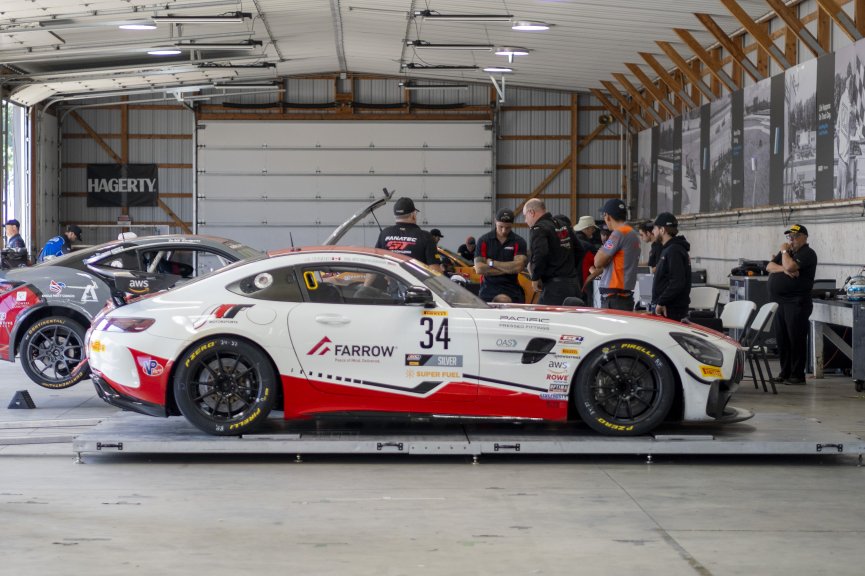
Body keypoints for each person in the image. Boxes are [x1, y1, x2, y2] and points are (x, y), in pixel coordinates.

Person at [766, 223, 818, 385]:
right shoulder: (788, 253)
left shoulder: (807, 253)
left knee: (795, 338)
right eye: (790, 237)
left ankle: (797, 375)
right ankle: (785, 372)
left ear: (804, 237)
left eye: (795, 237)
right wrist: (785, 269)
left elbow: (790, 265)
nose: (792, 240)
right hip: (780, 302)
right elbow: (769, 266)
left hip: (796, 302)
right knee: (782, 339)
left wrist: (783, 253)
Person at [521, 199, 578, 305]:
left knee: (544, 319)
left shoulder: (539, 228)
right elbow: (580, 250)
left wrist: (535, 277)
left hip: (554, 289)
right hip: (573, 286)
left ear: (531, 212)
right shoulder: (563, 225)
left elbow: (541, 253)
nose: (525, 220)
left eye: (525, 216)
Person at [589, 199, 640, 311]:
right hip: (624, 296)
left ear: (607, 216)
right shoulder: (632, 234)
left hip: (614, 299)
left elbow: (598, 262)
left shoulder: (618, 234)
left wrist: (604, 249)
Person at [473, 209, 528, 303]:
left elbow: (518, 267)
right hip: (488, 291)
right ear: (495, 221)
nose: (503, 231)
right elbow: (479, 269)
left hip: (511, 291)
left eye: (508, 227)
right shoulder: (484, 240)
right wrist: (509, 268)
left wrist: (491, 263)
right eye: (500, 226)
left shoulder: (519, 241)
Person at [374, 197, 442, 273]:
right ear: (413, 215)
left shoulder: (384, 233)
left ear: (395, 216)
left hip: (392, 283)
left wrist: (366, 285)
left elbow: (375, 263)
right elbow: (435, 270)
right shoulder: (426, 236)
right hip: (416, 284)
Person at [650, 212, 691, 321]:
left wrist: (662, 301)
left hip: (670, 310)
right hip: (667, 307)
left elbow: (677, 281)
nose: (653, 232)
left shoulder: (674, 251)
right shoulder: (670, 249)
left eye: (654, 228)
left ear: (662, 230)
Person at [574, 215, 599, 305]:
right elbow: (598, 264)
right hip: (583, 286)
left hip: (570, 284)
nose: (593, 231)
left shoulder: (570, 242)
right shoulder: (588, 247)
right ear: (587, 229)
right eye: (592, 229)